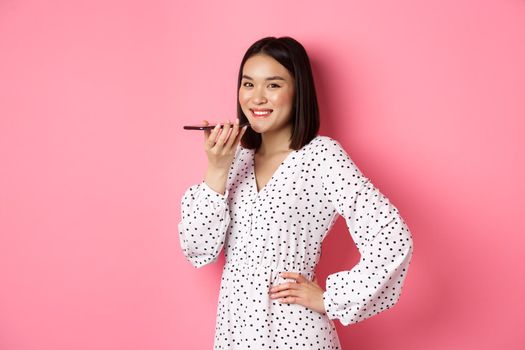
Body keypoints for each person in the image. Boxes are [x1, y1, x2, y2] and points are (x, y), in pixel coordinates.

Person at [178, 36, 414, 349]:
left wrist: (331, 298)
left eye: (273, 85)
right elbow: (197, 248)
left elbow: (393, 239)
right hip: (234, 336)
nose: (257, 98)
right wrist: (217, 169)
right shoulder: (233, 161)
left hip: (296, 335)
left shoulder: (322, 157)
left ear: (297, 91)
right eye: (248, 84)